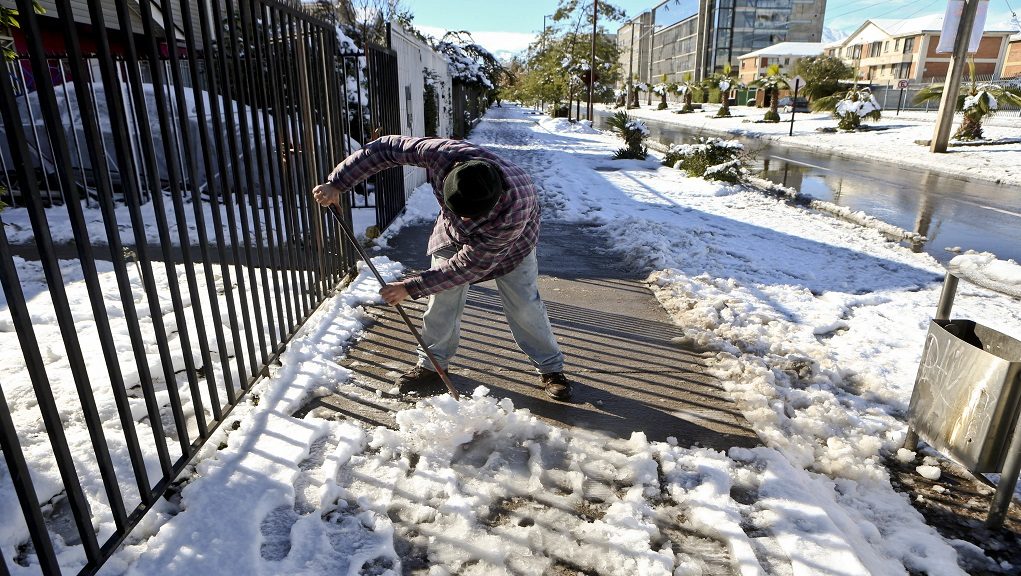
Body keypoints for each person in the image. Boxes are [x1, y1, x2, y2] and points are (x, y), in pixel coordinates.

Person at [311, 135, 571, 400]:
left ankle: (550, 368)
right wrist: (338, 183)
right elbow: (383, 148)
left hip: (513, 246)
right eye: (457, 209)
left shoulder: (514, 208)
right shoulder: (442, 155)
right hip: (450, 235)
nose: (464, 219)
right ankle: (432, 365)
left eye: (471, 214)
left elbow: (468, 267)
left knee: (524, 304)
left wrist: (410, 287)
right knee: (441, 300)